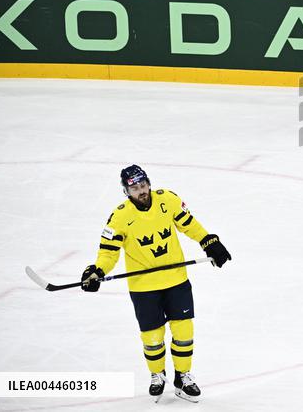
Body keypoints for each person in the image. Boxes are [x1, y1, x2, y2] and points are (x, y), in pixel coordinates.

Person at [81, 165, 231, 402]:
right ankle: (157, 375)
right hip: (143, 287)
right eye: (134, 188)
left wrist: (208, 240)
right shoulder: (119, 217)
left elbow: (189, 224)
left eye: (143, 186)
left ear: (148, 183)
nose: (141, 191)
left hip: (176, 280)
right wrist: (96, 270)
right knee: (152, 336)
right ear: (126, 191)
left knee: (184, 330)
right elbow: (108, 253)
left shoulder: (168, 200)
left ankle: (182, 376)